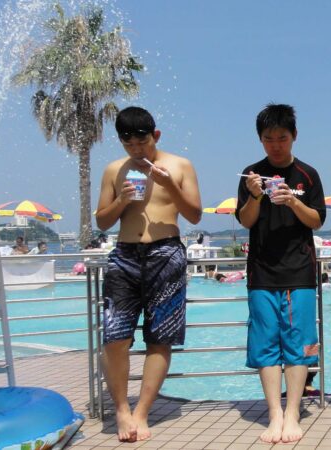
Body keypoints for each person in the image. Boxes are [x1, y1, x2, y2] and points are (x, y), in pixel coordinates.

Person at [94, 106, 202, 442]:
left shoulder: (180, 165)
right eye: (129, 145)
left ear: (155, 136)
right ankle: (121, 411)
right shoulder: (115, 169)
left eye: (142, 143)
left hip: (166, 252)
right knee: (114, 337)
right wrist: (122, 200)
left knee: (160, 338)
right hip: (125, 255)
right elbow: (102, 221)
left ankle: (141, 412)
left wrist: (170, 185)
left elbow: (195, 215)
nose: (137, 150)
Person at [236, 103, 325, 444]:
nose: (275, 145)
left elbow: (317, 220)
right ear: (260, 139)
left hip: (300, 272)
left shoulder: (307, 174)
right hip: (262, 272)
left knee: (300, 344)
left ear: (294, 136)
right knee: (266, 344)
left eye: (282, 138)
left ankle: (293, 412)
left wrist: (293, 201)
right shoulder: (251, 174)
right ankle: (275, 412)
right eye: (269, 139)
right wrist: (255, 196)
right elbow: (246, 220)